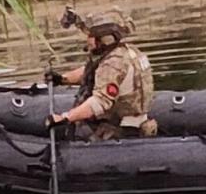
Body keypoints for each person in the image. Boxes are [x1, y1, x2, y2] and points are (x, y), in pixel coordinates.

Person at [48, 8, 157, 140]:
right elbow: (93, 72)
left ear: (105, 39)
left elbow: (99, 102)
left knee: (77, 132)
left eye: (91, 37)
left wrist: (65, 117)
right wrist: (62, 79)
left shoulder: (114, 63)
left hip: (122, 129)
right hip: (135, 119)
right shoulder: (128, 51)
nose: (87, 40)